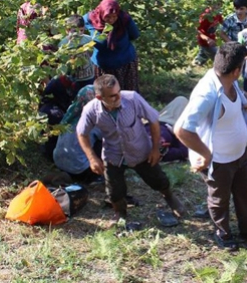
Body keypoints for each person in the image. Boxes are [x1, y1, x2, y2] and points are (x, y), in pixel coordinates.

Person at [175, 42, 247, 251]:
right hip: (219, 161)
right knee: (219, 200)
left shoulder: (228, 80)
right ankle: (223, 233)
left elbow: (239, 98)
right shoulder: (208, 94)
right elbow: (182, 129)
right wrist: (205, 154)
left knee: (244, 193)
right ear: (236, 71)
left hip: (240, 154)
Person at [77, 74, 185, 227]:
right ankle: (120, 213)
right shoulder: (91, 110)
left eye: (119, 92)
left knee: (158, 180)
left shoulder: (133, 99)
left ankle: (169, 197)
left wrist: (155, 149)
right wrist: (92, 158)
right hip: (113, 154)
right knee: (114, 191)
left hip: (140, 150)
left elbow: (154, 121)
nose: (118, 97)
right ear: (100, 98)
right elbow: (81, 133)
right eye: (113, 96)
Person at [84, 0, 141, 92]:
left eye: (114, 16)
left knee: (128, 95)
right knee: (106, 95)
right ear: (101, 13)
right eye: (107, 17)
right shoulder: (91, 19)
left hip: (126, 63)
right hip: (103, 66)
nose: (111, 20)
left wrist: (119, 40)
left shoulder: (124, 18)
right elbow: (101, 44)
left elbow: (135, 34)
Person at [54, 85, 103, 183]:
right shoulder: (93, 120)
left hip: (58, 162)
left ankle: (68, 172)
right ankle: (94, 176)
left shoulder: (70, 113)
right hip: (80, 170)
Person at [143, 96, 189, 162]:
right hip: (168, 125)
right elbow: (184, 151)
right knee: (181, 101)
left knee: (181, 100)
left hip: (159, 123)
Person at [59, 14, 95, 93]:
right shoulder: (64, 43)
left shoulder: (88, 39)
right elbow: (62, 60)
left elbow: (90, 54)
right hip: (73, 78)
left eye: (81, 30)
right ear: (67, 30)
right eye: (75, 31)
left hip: (88, 76)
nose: (78, 34)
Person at [193, 0, 224, 66]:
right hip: (205, 42)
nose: (216, 6)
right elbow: (197, 30)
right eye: (214, 4)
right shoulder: (205, 16)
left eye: (218, 4)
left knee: (200, 60)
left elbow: (224, 23)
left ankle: (191, 69)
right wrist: (207, 39)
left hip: (212, 41)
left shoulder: (218, 14)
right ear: (209, 4)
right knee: (219, 59)